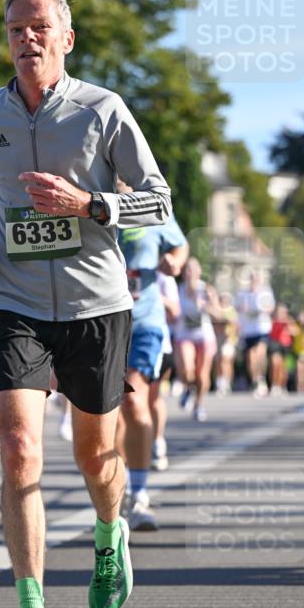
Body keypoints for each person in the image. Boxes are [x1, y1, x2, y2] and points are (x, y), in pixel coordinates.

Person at [0, 0, 172, 608]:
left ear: (66, 39)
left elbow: (159, 201)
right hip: (12, 300)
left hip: (94, 306)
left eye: (39, 27)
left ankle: (110, 532)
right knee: (18, 449)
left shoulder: (102, 109)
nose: (27, 38)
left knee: (94, 456)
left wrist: (91, 204)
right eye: (15, 29)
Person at [117, 219, 188, 530]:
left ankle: (139, 494)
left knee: (133, 400)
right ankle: (115, 490)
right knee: (108, 414)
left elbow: (180, 244)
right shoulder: (84, 198)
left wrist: (175, 261)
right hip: (99, 322)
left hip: (144, 321)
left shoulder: (150, 204)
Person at [173, 257, 219, 422]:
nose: (189, 272)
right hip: (184, 335)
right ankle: (188, 388)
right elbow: (172, 313)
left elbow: (218, 314)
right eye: (187, 269)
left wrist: (205, 306)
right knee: (187, 370)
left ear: (199, 272)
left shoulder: (206, 289)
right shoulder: (178, 289)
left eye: (192, 269)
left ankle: (199, 404)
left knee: (202, 374)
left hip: (204, 336)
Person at [150, 271, 181, 472]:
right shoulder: (119, 263)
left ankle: (158, 441)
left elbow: (175, 312)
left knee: (151, 398)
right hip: (123, 342)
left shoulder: (163, 277)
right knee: (127, 403)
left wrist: (155, 296)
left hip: (158, 344)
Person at [235, 271, 275, 396]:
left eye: (258, 278)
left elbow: (270, 308)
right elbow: (237, 308)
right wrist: (242, 309)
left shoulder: (265, 292)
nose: (255, 281)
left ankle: (261, 378)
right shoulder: (243, 293)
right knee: (251, 357)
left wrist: (261, 308)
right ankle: (255, 380)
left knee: (260, 353)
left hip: (262, 329)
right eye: (253, 278)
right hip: (248, 330)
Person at [268, 302, 297, 396]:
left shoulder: (289, 321)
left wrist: (288, 326)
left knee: (283, 367)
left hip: (285, 345)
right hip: (275, 343)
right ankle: (274, 384)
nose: (282, 314)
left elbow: (295, 332)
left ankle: (282, 385)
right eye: (280, 312)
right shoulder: (272, 320)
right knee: (275, 363)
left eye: (284, 312)